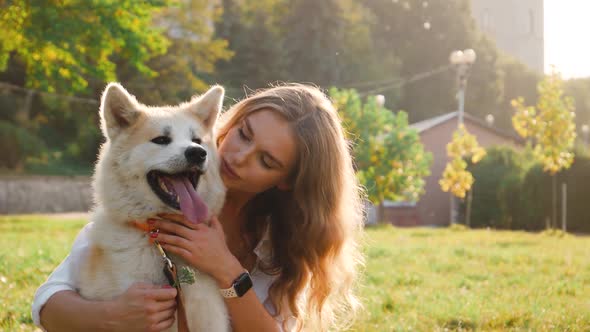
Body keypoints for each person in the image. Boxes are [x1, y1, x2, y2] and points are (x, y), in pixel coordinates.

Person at [32, 83, 365, 332]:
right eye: (244, 135)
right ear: (230, 122)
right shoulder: (146, 210)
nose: (238, 157)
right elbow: (48, 304)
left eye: (266, 160)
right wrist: (113, 316)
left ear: (287, 180)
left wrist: (226, 270)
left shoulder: (281, 245)